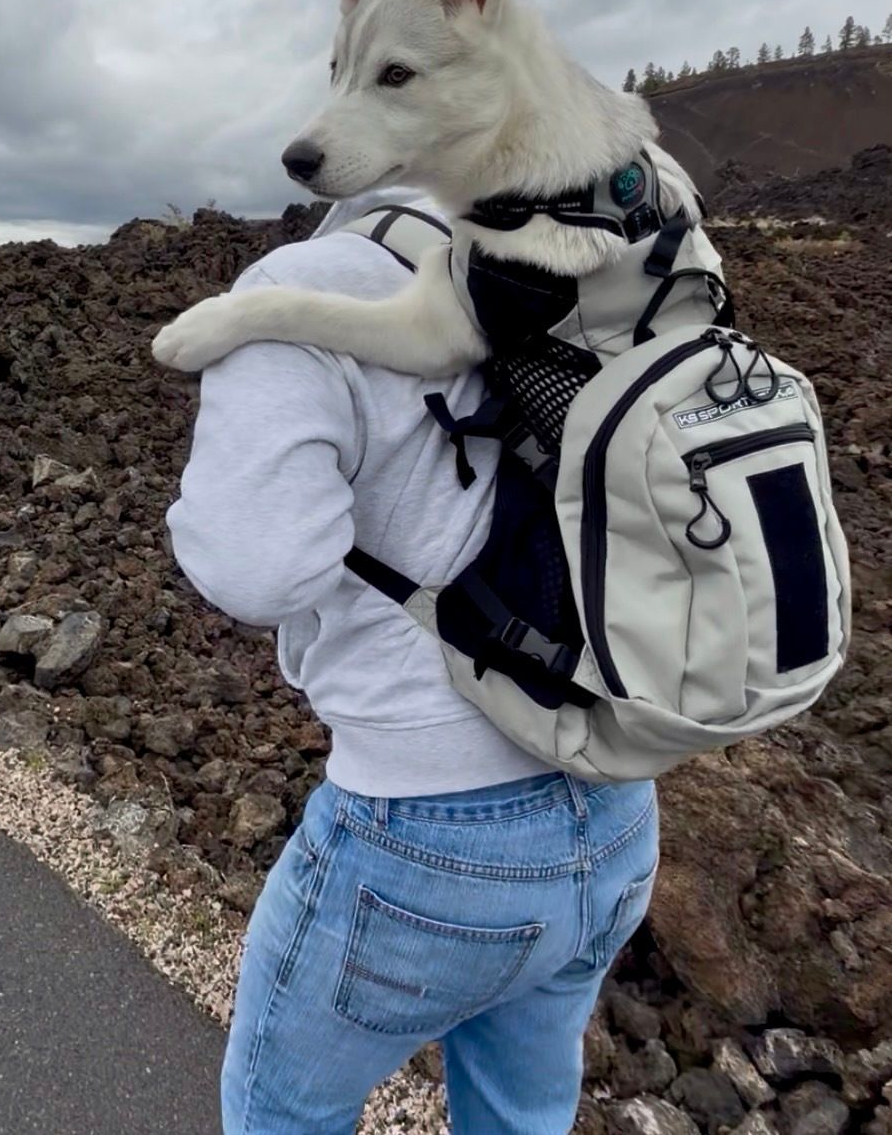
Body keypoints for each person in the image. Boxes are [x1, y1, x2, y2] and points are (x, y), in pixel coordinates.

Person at [166, 191, 659, 1135]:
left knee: (281, 1109)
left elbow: (259, 569)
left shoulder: (296, 291)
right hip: (617, 808)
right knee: (521, 1114)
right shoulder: (563, 274)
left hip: (428, 842)